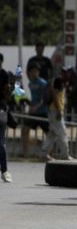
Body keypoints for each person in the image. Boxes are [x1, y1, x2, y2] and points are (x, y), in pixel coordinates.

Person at [21, 63, 49, 158]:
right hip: (33, 112)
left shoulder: (43, 83)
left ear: (38, 72)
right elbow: (33, 97)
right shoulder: (30, 83)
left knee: (50, 134)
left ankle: (49, 154)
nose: (34, 73)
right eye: (32, 71)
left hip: (42, 111)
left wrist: (36, 107)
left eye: (36, 71)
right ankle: (26, 154)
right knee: (24, 130)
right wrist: (29, 104)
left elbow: (43, 98)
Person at [44, 77, 71, 160]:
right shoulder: (57, 90)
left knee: (52, 134)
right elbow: (56, 100)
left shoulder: (55, 89)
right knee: (62, 133)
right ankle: (65, 154)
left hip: (52, 112)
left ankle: (43, 152)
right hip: (56, 112)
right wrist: (59, 111)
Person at [1, 53, 18, 182]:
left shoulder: (4, 75)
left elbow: (7, 94)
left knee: (1, 143)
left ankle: (4, 170)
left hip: (0, 109)